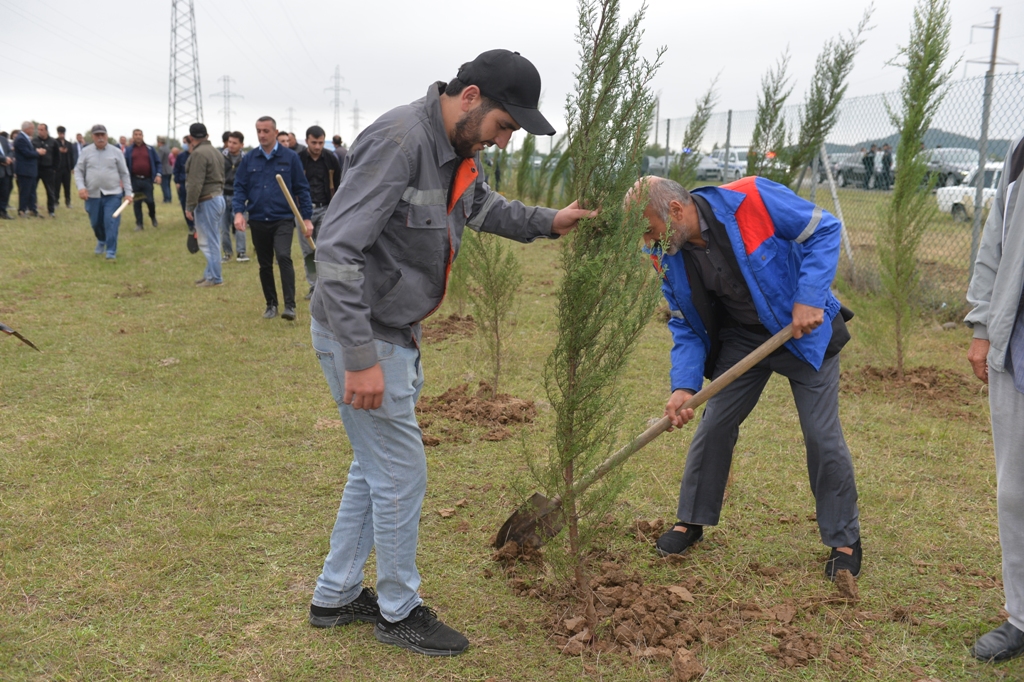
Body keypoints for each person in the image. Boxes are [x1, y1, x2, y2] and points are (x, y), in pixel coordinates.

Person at [307, 49, 591, 656]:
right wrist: (359, 356)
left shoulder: (456, 151)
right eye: (505, 125)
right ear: (470, 98)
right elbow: (336, 250)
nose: (505, 140)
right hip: (365, 332)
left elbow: (480, 207)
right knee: (401, 474)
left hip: (390, 332)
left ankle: (334, 595)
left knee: (374, 467)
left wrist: (549, 220)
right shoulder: (400, 141)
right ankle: (398, 610)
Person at [628, 175, 860, 580]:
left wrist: (808, 296)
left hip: (801, 333)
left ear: (677, 211)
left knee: (821, 435)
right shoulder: (665, 251)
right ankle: (691, 520)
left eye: (650, 229)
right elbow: (684, 323)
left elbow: (825, 229)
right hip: (742, 340)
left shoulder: (750, 198)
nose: (649, 242)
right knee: (714, 423)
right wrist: (684, 386)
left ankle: (843, 539)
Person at [965, 132, 1024, 663]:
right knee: (1015, 492)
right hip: (1017, 346)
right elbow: (995, 244)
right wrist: (982, 325)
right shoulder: (1020, 151)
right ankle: (1021, 615)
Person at [232, 116, 313, 321]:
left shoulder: (290, 158)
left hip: (283, 218)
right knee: (264, 264)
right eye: (258, 130)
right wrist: (239, 212)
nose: (261, 135)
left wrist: (307, 218)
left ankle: (290, 306)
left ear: (275, 133)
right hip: (258, 218)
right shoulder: (249, 159)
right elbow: (240, 187)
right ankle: (271, 304)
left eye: (266, 131)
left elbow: (302, 189)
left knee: (284, 256)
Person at [74, 124, 132, 260]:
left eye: (103, 135)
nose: (100, 138)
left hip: (113, 194)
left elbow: (124, 173)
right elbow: (78, 171)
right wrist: (81, 187)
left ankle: (111, 251)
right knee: (95, 222)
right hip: (92, 194)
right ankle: (101, 239)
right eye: (97, 135)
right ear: (92, 137)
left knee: (110, 221)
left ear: (106, 136)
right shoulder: (86, 152)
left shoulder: (116, 152)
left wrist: (128, 193)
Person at [297, 125, 342, 300]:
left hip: (326, 208)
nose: (317, 146)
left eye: (321, 143)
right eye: (314, 142)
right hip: (302, 211)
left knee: (324, 248)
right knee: (308, 250)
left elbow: (339, 185)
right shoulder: (299, 159)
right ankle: (313, 286)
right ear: (307, 140)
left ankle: (325, 285)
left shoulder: (331, 159)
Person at [184, 123, 226, 287]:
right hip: (217, 197)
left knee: (209, 241)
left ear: (191, 137)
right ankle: (210, 273)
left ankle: (215, 278)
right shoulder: (215, 151)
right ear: (207, 135)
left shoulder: (199, 154)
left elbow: (195, 183)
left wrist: (189, 205)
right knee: (212, 238)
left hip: (207, 199)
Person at [124, 129, 162, 231]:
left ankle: (152, 216)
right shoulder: (129, 150)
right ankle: (139, 224)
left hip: (147, 180)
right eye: (136, 134)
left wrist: (158, 175)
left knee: (150, 201)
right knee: (137, 202)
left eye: (140, 134)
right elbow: (124, 165)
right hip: (135, 180)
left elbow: (158, 162)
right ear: (133, 136)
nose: (138, 136)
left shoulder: (150, 149)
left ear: (143, 136)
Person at [220, 131, 248, 263]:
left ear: (241, 145)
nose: (231, 145)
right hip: (222, 194)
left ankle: (241, 253)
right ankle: (227, 252)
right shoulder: (220, 156)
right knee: (223, 226)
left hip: (239, 195)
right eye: (229, 142)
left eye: (234, 143)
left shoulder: (246, 159)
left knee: (240, 225)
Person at [13, 121, 42, 217]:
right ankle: (22, 210)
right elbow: (26, 153)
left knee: (32, 191)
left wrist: (35, 151)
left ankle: (32, 209)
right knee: (25, 191)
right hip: (24, 170)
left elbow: (29, 151)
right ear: (27, 129)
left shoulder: (27, 139)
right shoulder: (20, 139)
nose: (33, 131)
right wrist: (38, 153)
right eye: (32, 129)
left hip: (30, 170)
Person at [34, 123, 59, 217]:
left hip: (48, 169)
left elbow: (57, 156)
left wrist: (54, 168)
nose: (40, 131)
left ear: (46, 130)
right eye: (38, 129)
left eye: (42, 130)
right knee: (33, 189)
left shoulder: (53, 142)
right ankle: (33, 208)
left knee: (50, 191)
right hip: (36, 169)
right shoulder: (34, 141)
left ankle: (51, 210)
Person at [174, 136, 195, 233]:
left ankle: (197, 223)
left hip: (195, 184)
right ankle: (190, 225)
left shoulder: (197, 155)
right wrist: (177, 181)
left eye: (185, 142)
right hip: (183, 184)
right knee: (184, 204)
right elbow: (176, 169)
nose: (183, 145)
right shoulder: (181, 156)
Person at [54, 126, 78, 208]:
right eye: (60, 133)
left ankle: (68, 202)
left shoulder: (69, 144)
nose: (62, 135)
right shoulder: (55, 142)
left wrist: (72, 167)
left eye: (63, 133)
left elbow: (72, 156)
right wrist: (59, 150)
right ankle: (56, 202)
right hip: (58, 168)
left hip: (67, 168)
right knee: (56, 186)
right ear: (58, 133)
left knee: (67, 186)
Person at [0, 132, 13, 219]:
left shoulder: (3, 139)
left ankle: (3, 211)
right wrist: (4, 159)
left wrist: (9, 158)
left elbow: (10, 151)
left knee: (5, 192)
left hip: (6, 171)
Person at [157, 137, 173, 203]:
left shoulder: (161, 149)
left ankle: (166, 199)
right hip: (169, 169)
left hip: (164, 170)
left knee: (164, 185)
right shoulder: (167, 148)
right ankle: (169, 198)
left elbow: (159, 159)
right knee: (168, 185)